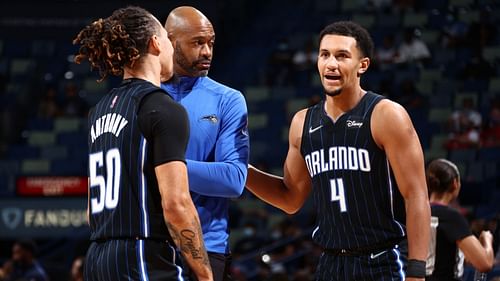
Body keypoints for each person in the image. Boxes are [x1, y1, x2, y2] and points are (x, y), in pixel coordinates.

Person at [246, 21, 430, 280]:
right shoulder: (302, 123)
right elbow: (289, 199)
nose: (331, 63)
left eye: (342, 56)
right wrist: (241, 171)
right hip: (329, 263)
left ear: (362, 65)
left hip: (381, 260)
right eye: (324, 55)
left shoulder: (386, 115)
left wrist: (417, 270)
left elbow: (416, 195)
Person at [72, 6, 212, 281]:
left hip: (98, 257)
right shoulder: (161, 107)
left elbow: (91, 210)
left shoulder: (99, 110)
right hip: (142, 256)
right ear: (155, 43)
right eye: (168, 41)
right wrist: (206, 274)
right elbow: (177, 204)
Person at [161, 6, 249, 281]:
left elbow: (233, 180)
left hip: (206, 247)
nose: (207, 52)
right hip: (150, 244)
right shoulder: (144, 96)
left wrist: (164, 168)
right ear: (170, 41)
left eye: (210, 43)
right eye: (197, 43)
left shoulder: (228, 100)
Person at [425, 158, 494, 280]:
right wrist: (487, 240)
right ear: (455, 183)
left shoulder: (416, 213)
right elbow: (485, 264)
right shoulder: (452, 217)